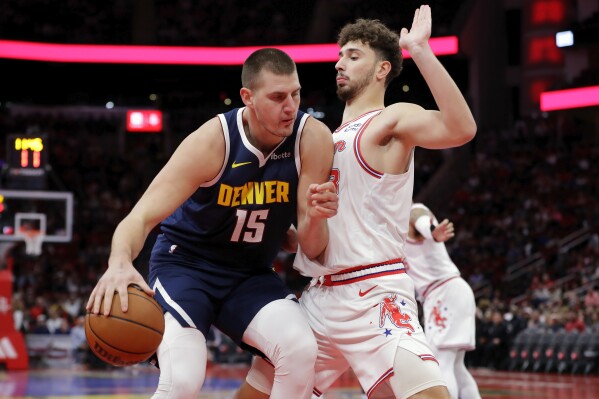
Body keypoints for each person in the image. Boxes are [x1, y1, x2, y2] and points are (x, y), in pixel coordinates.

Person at [236, 5, 476, 399]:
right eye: (339, 55)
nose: (339, 64)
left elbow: (462, 128)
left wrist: (419, 50)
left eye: (353, 55)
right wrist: (300, 226)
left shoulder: (390, 120)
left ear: (382, 69)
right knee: (253, 395)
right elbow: (316, 242)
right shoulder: (322, 140)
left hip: (377, 294)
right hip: (321, 295)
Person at [86, 48, 338, 399]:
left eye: (296, 94)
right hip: (187, 267)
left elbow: (310, 246)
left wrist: (312, 221)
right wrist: (118, 262)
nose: (291, 106)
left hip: (250, 273)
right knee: (184, 381)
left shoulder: (313, 138)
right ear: (248, 98)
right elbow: (141, 216)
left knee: (300, 351)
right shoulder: (213, 141)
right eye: (278, 97)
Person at [404, 203, 481, 399]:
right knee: (456, 366)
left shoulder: (412, 211)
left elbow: (420, 218)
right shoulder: (391, 229)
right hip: (449, 291)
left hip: (444, 291)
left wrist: (432, 231)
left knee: (441, 363)